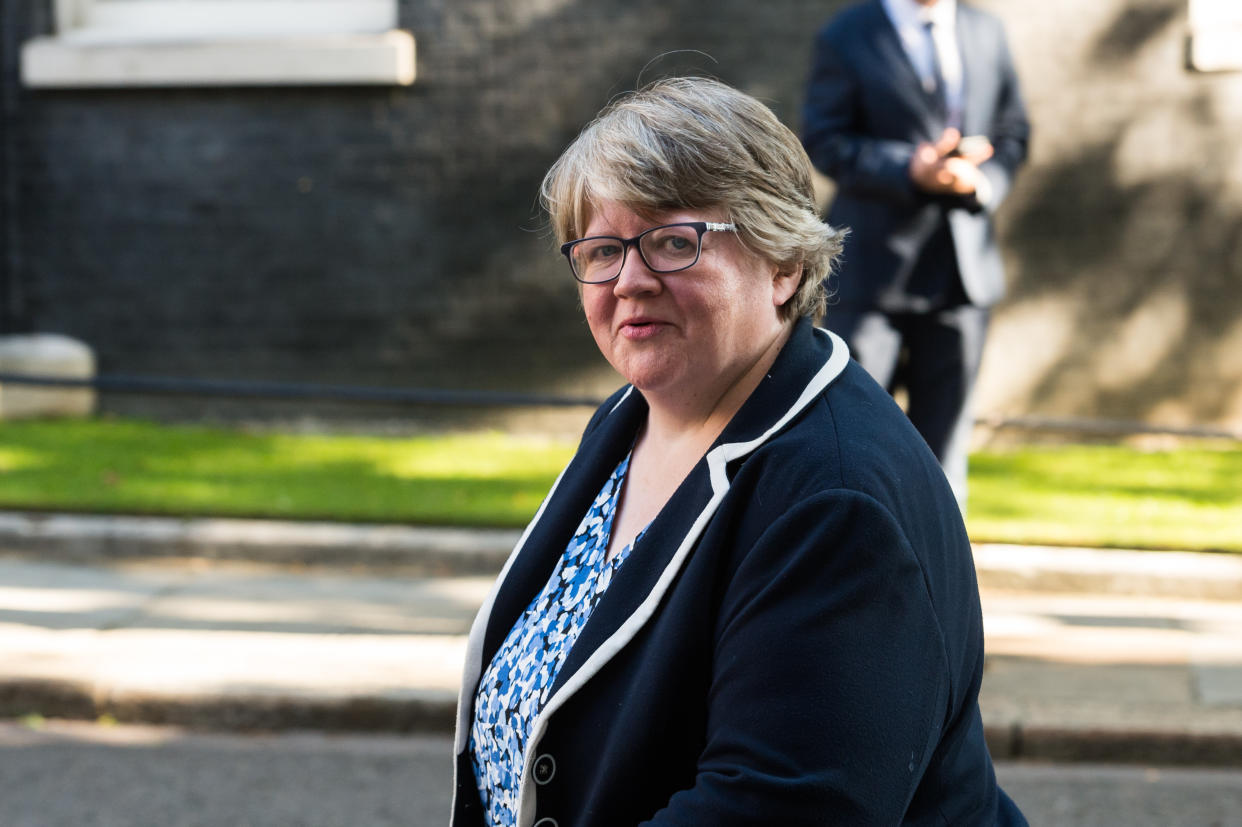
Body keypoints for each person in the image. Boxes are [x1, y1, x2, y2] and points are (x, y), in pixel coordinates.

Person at [451, 76, 1026, 826]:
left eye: (672, 242)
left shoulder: (835, 497)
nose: (629, 280)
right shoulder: (633, 416)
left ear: (783, 263)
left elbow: (775, 808)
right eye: (601, 249)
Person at [801, 0, 1030, 507]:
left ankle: (941, 574)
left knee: (945, 451)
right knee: (851, 437)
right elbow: (824, 139)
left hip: (962, 274)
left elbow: (1013, 132)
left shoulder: (986, 31)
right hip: (871, 274)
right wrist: (909, 168)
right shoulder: (847, 33)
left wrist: (983, 182)